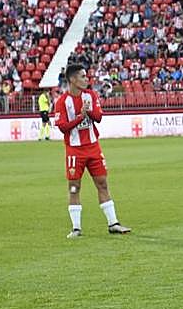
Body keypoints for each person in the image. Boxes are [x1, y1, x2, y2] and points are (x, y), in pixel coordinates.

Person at [53, 64, 131, 239]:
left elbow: (99, 117)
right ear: (72, 79)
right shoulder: (62, 102)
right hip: (74, 150)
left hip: (94, 147)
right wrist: (80, 116)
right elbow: (63, 127)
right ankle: (76, 228)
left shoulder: (91, 95)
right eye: (82, 76)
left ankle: (113, 223)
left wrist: (89, 111)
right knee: (74, 187)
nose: (86, 79)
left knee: (102, 183)